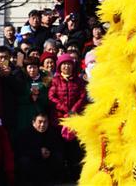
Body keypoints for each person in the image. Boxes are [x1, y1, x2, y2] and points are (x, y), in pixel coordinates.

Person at [48, 53, 87, 181]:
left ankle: (74, 176)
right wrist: (65, 109)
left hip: (74, 119)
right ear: (59, 66)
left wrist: (73, 110)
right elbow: (52, 97)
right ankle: (60, 176)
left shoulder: (79, 80)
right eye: (64, 64)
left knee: (74, 151)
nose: (66, 66)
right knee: (59, 150)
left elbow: (82, 96)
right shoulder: (55, 80)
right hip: (59, 120)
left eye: (69, 64)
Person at [16, 112, 63, 185]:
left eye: (45, 122)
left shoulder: (52, 133)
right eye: (40, 122)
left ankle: (54, 179)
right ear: (33, 122)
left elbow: (58, 147)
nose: (42, 125)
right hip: (32, 162)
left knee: (58, 156)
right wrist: (38, 152)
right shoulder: (24, 134)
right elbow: (20, 151)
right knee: (24, 161)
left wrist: (49, 152)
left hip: (47, 161)